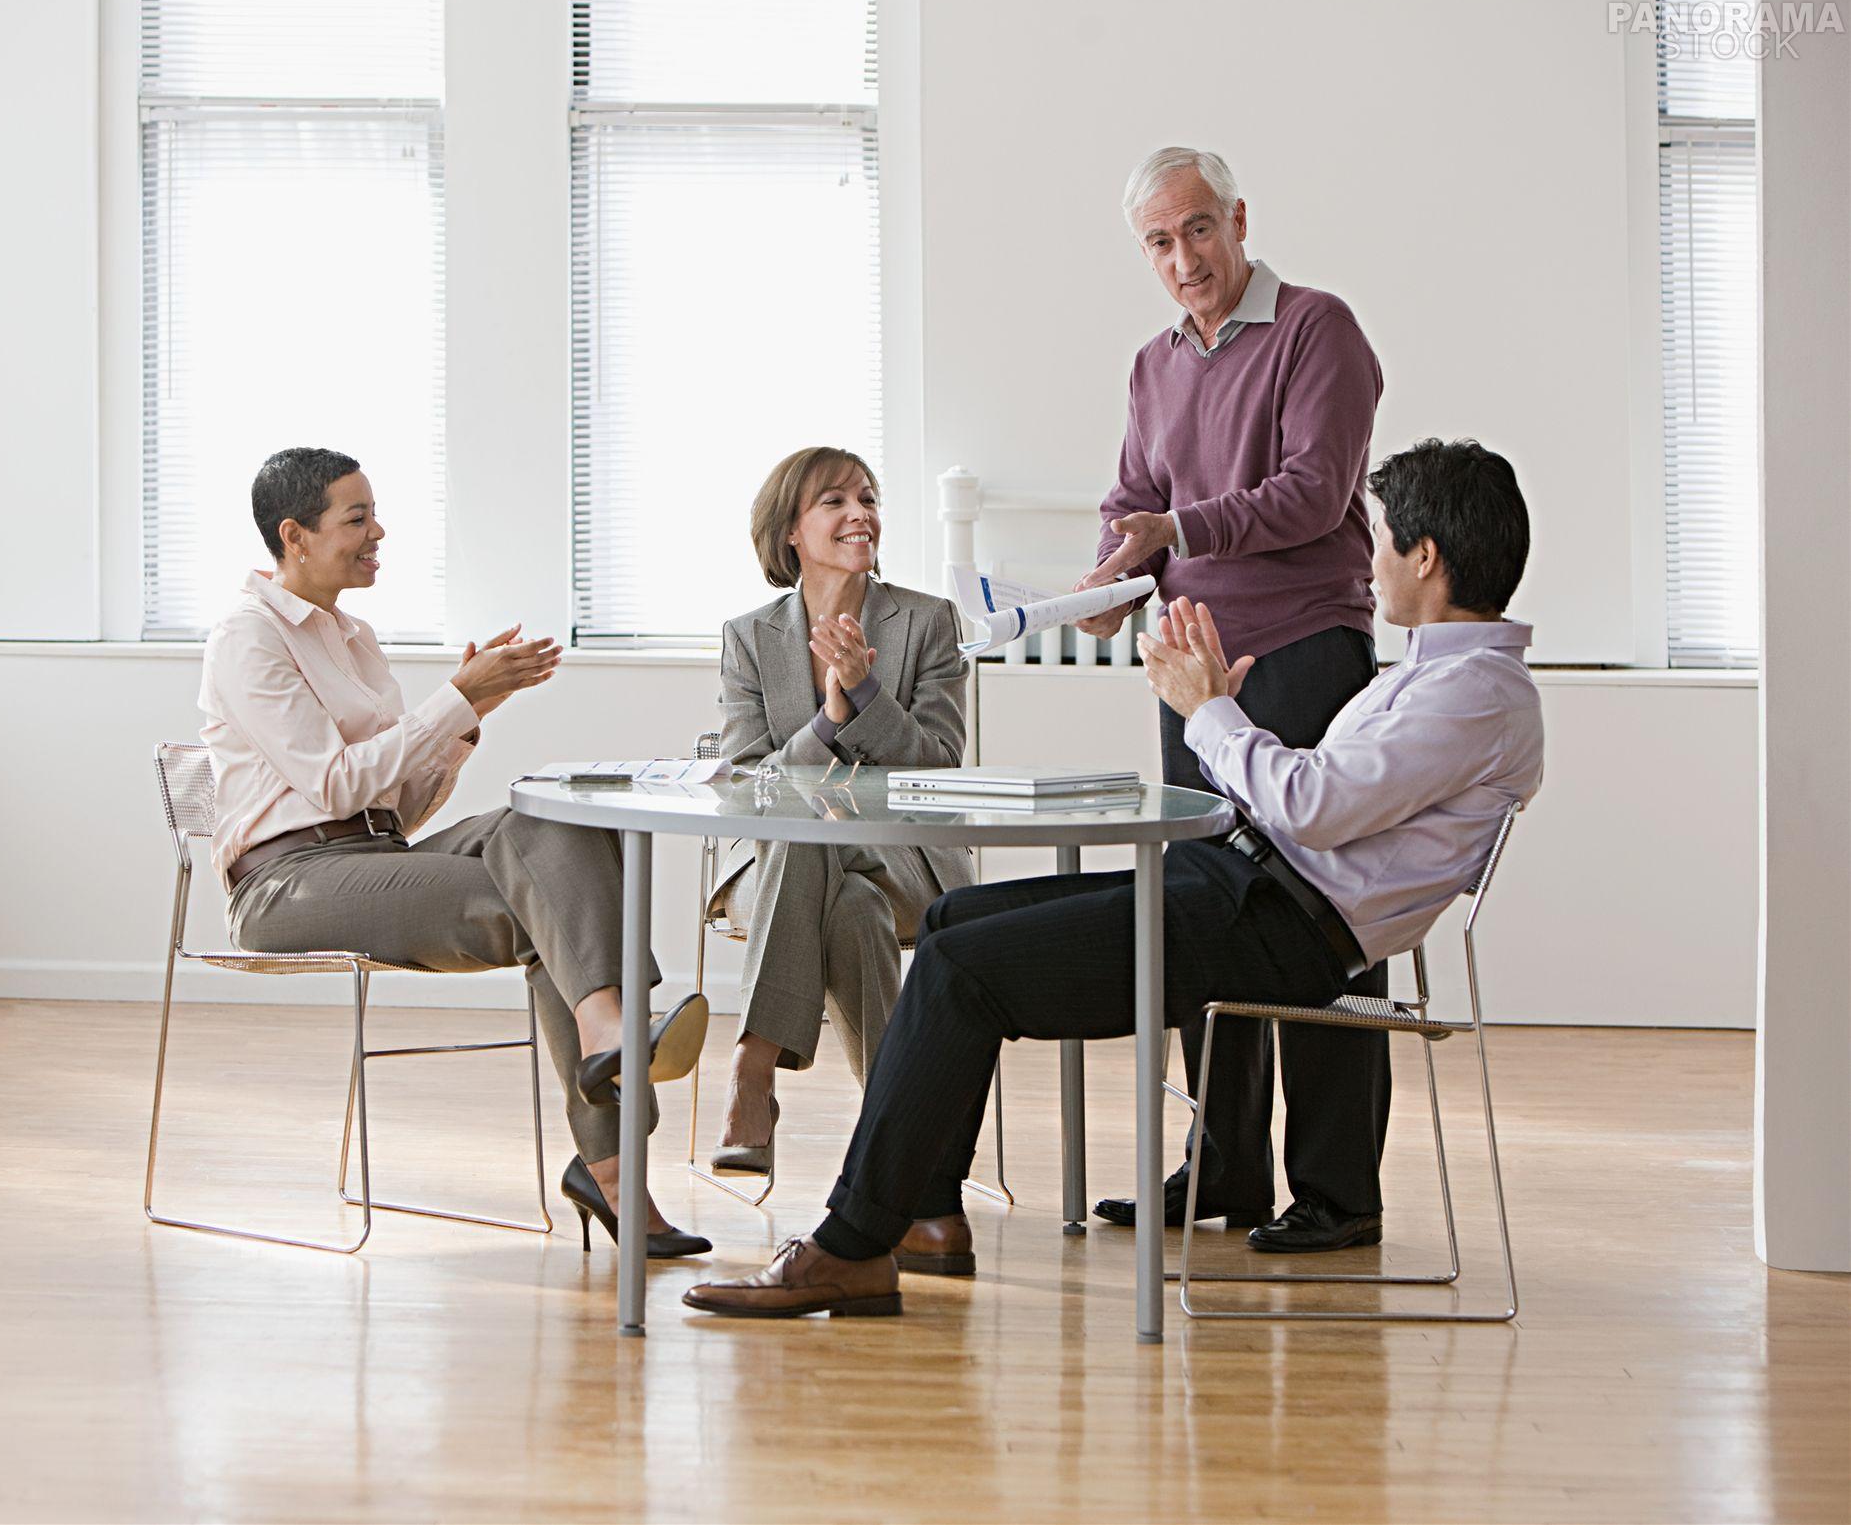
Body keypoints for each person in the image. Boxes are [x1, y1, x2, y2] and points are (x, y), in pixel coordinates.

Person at [680, 437, 1543, 1317]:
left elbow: (1311, 806)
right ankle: (927, 1215)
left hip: (1277, 927)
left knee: (959, 973)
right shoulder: (1432, 678)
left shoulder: (1469, 693)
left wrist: (1208, 712)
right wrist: (1227, 712)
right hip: (1241, 890)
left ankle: (848, 1245)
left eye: (1383, 538)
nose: (1370, 559)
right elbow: (1316, 801)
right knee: (952, 925)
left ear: (1426, 558)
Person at [199, 447, 710, 1258]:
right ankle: (612, 1147)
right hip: (288, 885)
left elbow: (397, 805)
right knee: (558, 905)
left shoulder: (352, 637)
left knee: (558, 823)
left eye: (375, 515)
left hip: (373, 857)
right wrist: (454, 697)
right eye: (356, 518)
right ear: (294, 535)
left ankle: (606, 1044)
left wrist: (475, 714)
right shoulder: (246, 638)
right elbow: (332, 788)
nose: (377, 533)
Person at [1074, 146, 1394, 1250]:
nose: (1182, 258)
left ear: (1238, 219)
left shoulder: (1318, 329)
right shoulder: (1153, 365)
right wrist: (1110, 582)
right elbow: (1134, 499)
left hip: (1307, 650)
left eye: (1197, 230)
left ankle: (1340, 1189)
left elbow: (1317, 491)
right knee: (1207, 910)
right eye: (1159, 243)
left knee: (1320, 913)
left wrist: (1181, 535)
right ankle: (1223, 1167)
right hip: (1191, 662)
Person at [706, 447, 974, 1174]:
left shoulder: (927, 622)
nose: (861, 514)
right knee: (845, 900)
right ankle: (901, 1137)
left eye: (868, 498)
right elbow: (749, 784)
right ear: (790, 530)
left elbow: (940, 763)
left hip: (906, 862)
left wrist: (864, 696)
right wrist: (828, 718)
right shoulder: (747, 637)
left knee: (815, 835)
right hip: (786, 876)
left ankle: (752, 1068)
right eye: (834, 501)